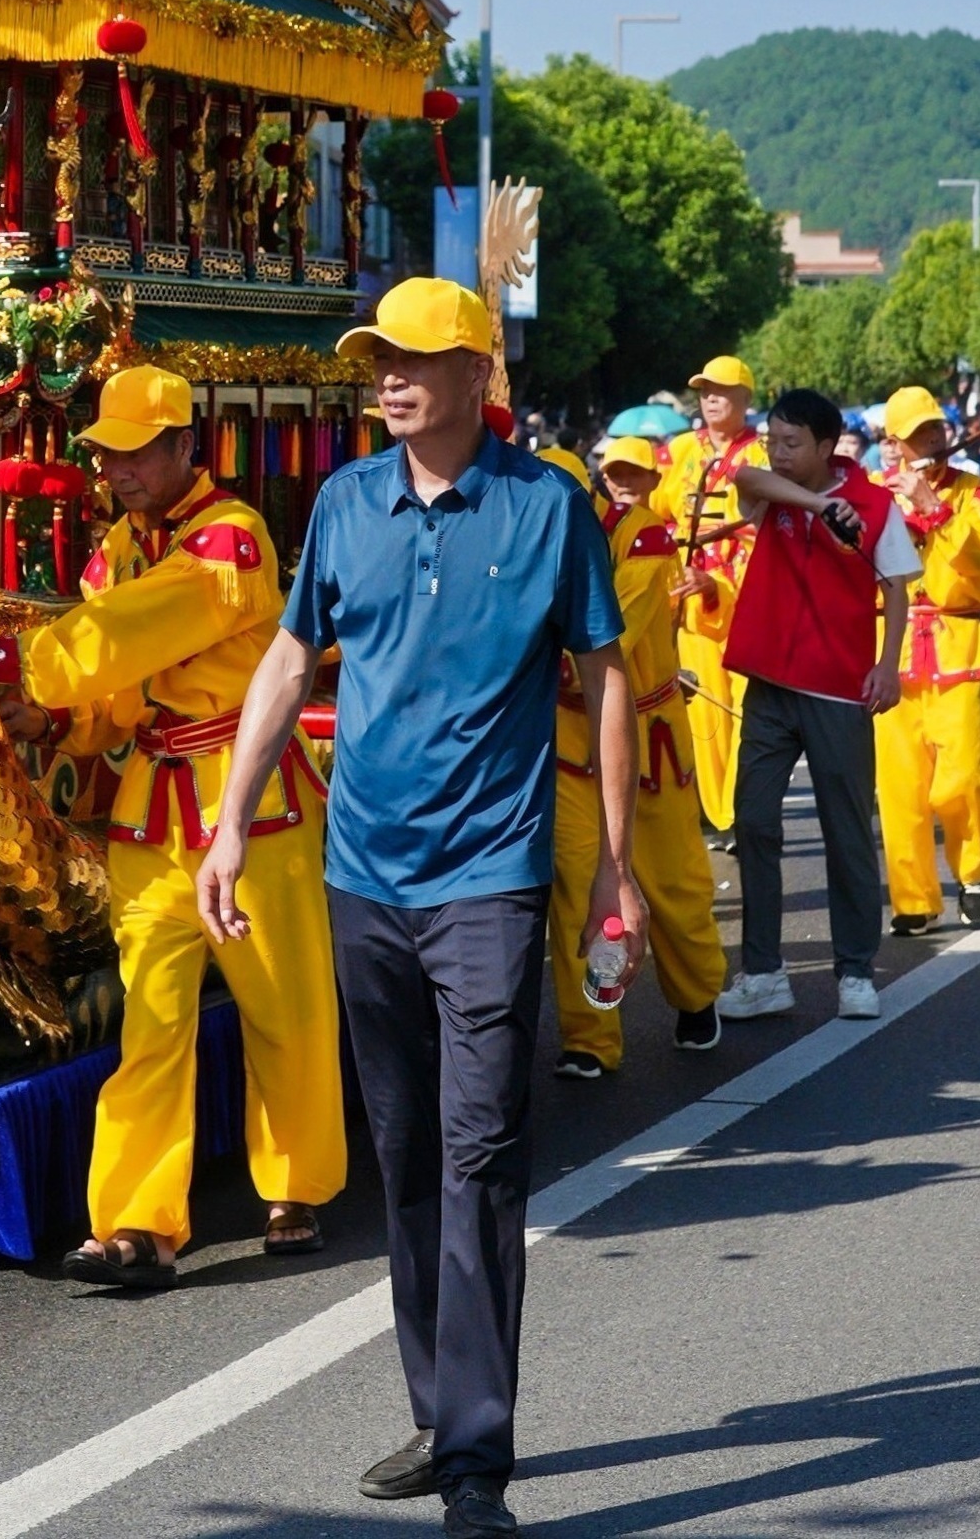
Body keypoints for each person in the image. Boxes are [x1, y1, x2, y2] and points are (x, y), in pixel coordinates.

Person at [193, 278, 632, 1536]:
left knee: (482, 1148)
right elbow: (290, 657)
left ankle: (477, 1456)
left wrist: (613, 863)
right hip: (364, 874)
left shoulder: (547, 505)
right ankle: (440, 1410)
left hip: (490, 875)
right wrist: (230, 819)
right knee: (407, 1153)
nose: (387, 374)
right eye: (376, 354)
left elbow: (604, 673)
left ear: (475, 373)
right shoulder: (344, 501)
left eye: (414, 356)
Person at [0, 364, 340, 1283]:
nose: (119, 471)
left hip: (251, 801)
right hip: (156, 808)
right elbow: (121, 695)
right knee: (152, 1022)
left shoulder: (231, 539)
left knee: (283, 1005)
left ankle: (296, 1183)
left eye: (137, 453)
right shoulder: (115, 552)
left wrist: (17, 658)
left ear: (184, 447)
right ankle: (137, 1220)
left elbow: (138, 629)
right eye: (108, 456)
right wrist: (54, 721)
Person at [713, 387, 919, 1023]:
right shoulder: (775, 491)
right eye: (773, 440)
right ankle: (763, 973)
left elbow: (897, 589)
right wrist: (817, 503)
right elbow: (744, 477)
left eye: (792, 443)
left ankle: (855, 970)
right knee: (752, 821)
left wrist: (887, 666)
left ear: (827, 446)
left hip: (837, 689)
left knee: (846, 832)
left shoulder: (877, 506)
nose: (777, 452)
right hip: (770, 683)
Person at [541, 434, 724, 1078]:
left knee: (673, 885)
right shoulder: (525, 544)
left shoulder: (643, 537)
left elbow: (611, 629)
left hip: (646, 735)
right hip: (569, 738)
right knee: (576, 886)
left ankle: (697, 995)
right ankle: (590, 1037)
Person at [869, 387, 980, 929]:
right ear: (894, 442)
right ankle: (914, 900)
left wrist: (933, 507)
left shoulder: (974, 493)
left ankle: (972, 872)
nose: (931, 439)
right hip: (891, 651)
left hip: (957, 646)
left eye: (936, 429)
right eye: (918, 433)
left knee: (965, 774)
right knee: (899, 787)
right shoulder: (874, 492)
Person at [659, 357, 760, 840]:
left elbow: (771, 534)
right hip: (690, 605)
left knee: (747, 717)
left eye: (721, 391)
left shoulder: (762, 455)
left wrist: (719, 579)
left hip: (747, 604)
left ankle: (739, 812)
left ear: (745, 398)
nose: (711, 399)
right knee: (704, 713)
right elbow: (657, 511)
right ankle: (719, 814)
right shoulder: (680, 450)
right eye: (704, 391)